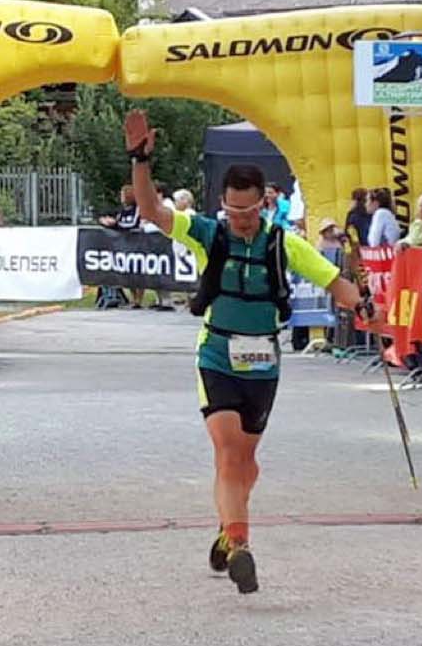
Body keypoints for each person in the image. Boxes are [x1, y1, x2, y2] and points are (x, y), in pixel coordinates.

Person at [124, 109, 370, 593]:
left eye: (249, 212)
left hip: (262, 363)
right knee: (227, 450)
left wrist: (363, 306)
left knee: (246, 463)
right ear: (223, 203)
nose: (240, 220)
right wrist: (140, 161)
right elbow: (152, 210)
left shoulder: (282, 243)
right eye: (233, 211)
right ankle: (239, 544)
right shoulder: (207, 232)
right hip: (217, 355)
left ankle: (226, 526)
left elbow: (335, 283)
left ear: (264, 204)